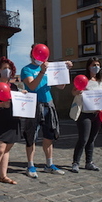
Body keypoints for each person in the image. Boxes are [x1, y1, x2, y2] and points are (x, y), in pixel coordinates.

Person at [21, 44, 73, 178]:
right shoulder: (26, 69)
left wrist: (65, 71)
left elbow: (61, 86)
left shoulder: (49, 68)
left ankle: (49, 164)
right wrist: (42, 72)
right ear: (32, 54)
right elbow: (32, 86)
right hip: (33, 104)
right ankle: (30, 165)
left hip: (48, 104)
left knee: (49, 135)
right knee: (31, 136)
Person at [0, 56, 26, 189]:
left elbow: (18, 101)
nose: (7, 71)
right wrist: (2, 104)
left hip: (12, 121)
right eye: (4, 68)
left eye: (9, 68)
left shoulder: (13, 86)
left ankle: (3, 175)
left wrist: (23, 95)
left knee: (6, 149)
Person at [71, 57, 102, 173]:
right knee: (83, 139)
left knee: (91, 140)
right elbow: (73, 92)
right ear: (89, 67)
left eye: (98, 65)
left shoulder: (100, 80)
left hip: (97, 114)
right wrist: (78, 91)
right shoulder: (84, 79)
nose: (96, 67)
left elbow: (100, 94)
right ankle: (75, 162)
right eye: (94, 65)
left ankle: (89, 162)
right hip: (84, 114)